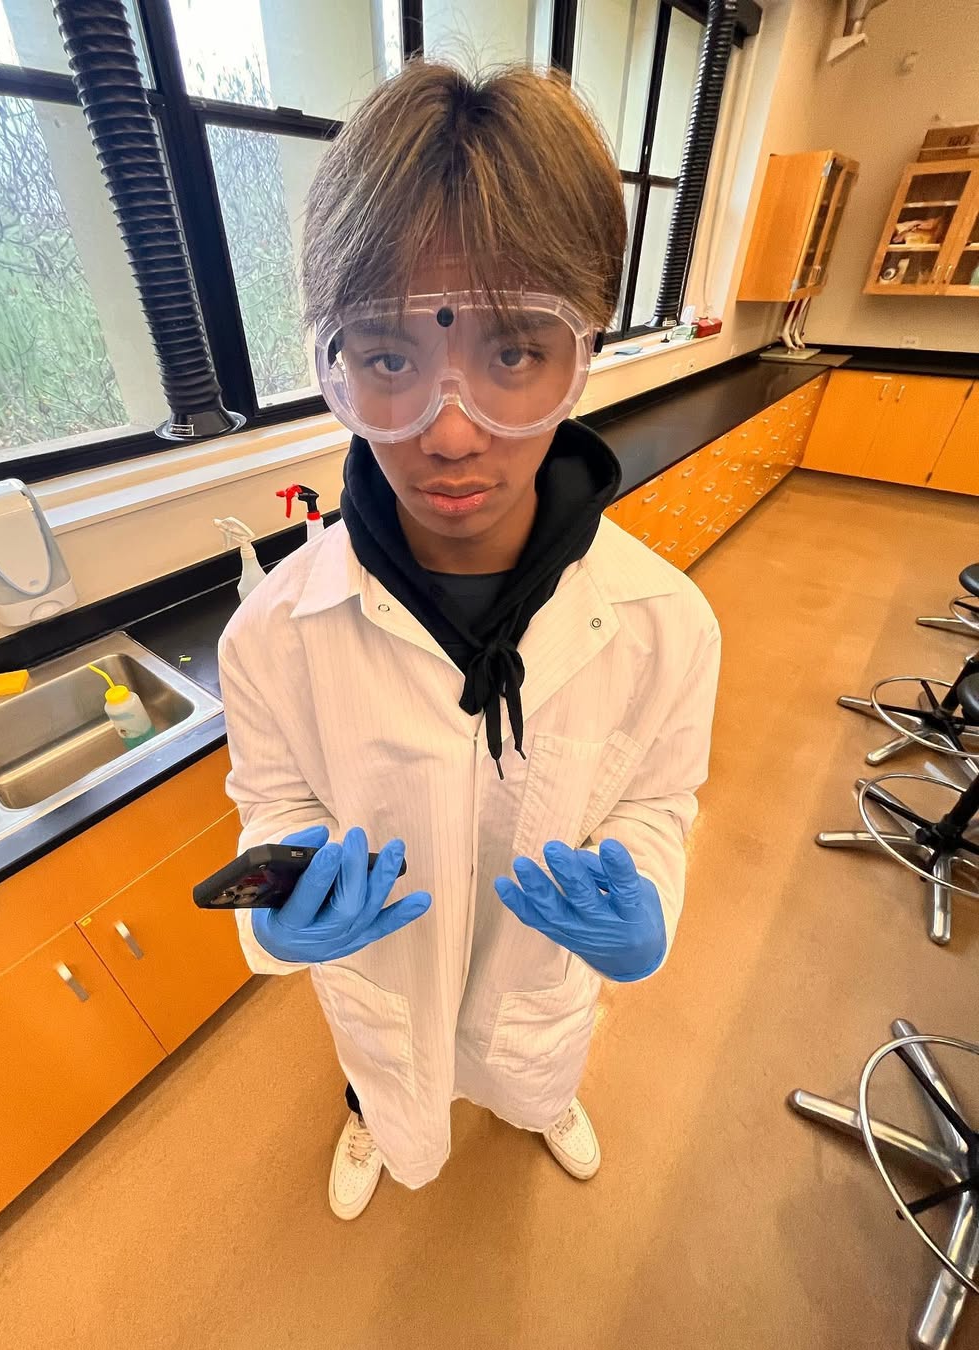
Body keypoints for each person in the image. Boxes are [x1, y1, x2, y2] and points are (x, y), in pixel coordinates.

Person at [219, 59, 720, 1221]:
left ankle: (541, 1097)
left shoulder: (664, 625)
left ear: (580, 355)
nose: (450, 435)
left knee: (536, 1059)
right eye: (391, 359)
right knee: (385, 1072)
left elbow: (657, 801)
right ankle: (370, 1108)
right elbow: (276, 805)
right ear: (339, 367)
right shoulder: (272, 636)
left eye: (513, 353)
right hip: (379, 992)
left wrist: (647, 905)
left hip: (543, 991)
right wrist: (283, 910)